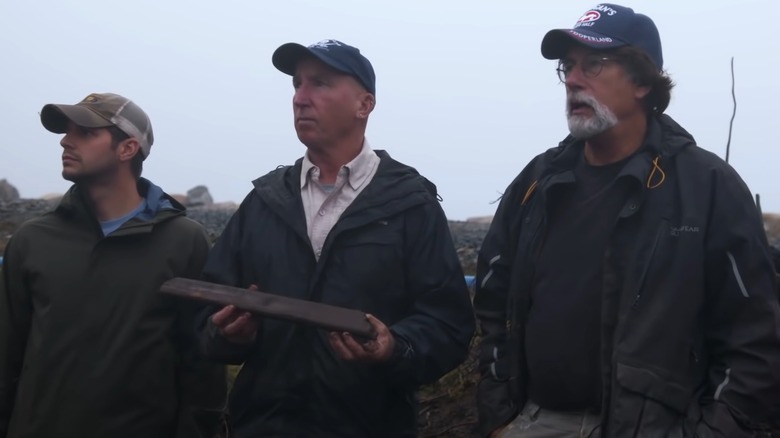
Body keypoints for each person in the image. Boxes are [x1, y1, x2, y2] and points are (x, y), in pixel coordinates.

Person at [474, 4, 780, 437]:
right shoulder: (539, 181)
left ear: (642, 81)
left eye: (594, 64)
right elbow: (492, 300)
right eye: (568, 67)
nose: (574, 80)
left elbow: (755, 337)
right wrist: (499, 414)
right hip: (534, 420)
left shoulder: (707, 186)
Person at [196, 39, 475, 437]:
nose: (300, 98)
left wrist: (393, 347)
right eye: (296, 84)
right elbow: (205, 314)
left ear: (365, 104)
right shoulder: (265, 202)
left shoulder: (409, 204)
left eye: (320, 83)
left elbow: (448, 325)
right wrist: (226, 335)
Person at [0, 93, 226, 438]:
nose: (65, 141)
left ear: (127, 148)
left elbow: (200, 364)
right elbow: (6, 354)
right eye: (66, 132)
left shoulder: (183, 240)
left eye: (86, 133)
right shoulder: (32, 241)